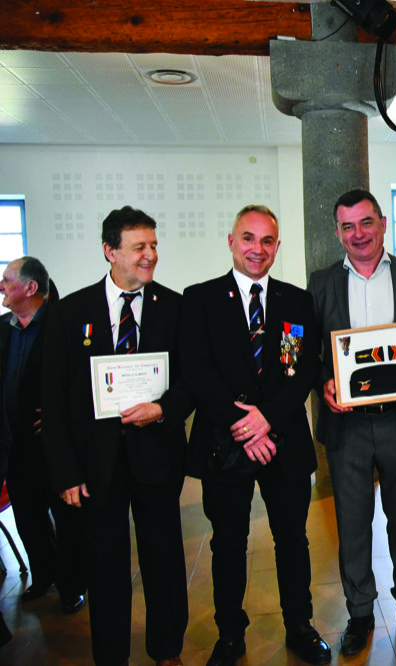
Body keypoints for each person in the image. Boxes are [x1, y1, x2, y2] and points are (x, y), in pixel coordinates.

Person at [179, 205, 330, 666]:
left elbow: (303, 367)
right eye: (248, 238)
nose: (257, 249)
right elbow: (197, 371)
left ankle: (299, 625)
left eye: (267, 241)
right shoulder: (200, 298)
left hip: (283, 439)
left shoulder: (296, 301)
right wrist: (244, 425)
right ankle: (230, 633)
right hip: (224, 443)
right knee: (228, 542)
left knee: (293, 540)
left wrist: (268, 418)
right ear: (231, 241)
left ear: (277, 247)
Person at [42, 206, 193, 666]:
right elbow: (53, 401)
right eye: (139, 248)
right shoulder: (70, 313)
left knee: (164, 561)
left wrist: (163, 408)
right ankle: (111, 657)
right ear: (109, 251)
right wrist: (65, 472)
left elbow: (190, 382)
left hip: (158, 458)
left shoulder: (175, 306)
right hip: (95, 467)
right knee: (105, 568)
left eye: (153, 246)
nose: (150, 256)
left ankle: (167, 649)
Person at [307, 189, 396, 658]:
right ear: (337, 232)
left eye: (366, 223)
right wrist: (325, 381)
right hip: (347, 427)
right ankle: (361, 613)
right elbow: (311, 353)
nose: (358, 234)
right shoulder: (321, 283)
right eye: (347, 227)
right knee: (352, 522)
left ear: (383, 223)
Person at [1, 258, 86, 615]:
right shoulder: (3, 328)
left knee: (67, 518)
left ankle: (71, 586)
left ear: (30, 288)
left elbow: (80, 380)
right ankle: (43, 574)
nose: (2, 286)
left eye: (7, 280)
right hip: (12, 443)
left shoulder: (62, 323)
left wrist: (57, 416)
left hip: (52, 444)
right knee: (27, 515)